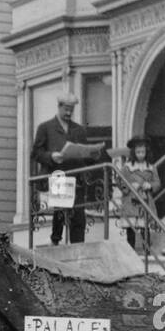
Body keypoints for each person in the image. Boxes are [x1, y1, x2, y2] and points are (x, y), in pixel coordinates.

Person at [32, 92, 93, 245]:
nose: (68, 113)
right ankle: (55, 239)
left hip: (76, 177)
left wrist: (92, 153)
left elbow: (84, 152)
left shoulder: (78, 130)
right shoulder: (45, 128)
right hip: (58, 176)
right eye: (66, 109)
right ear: (59, 107)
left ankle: (78, 246)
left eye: (71, 109)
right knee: (60, 211)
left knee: (78, 214)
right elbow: (36, 153)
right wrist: (51, 156)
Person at [119, 136, 158, 253]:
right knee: (130, 228)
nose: (140, 154)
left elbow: (157, 182)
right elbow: (120, 182)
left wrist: (150, 185)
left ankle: (147, 252)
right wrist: (130, 186)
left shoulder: (151, 167)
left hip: (145, 200)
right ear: (133, 153)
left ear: (146, 152)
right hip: (131, 201)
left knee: (145, 228)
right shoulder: (127, 167)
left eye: (143, 152)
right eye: (138, 152)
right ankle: (131, 253)